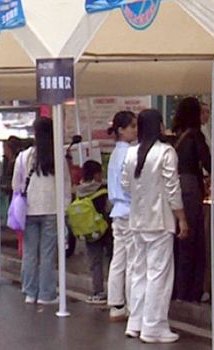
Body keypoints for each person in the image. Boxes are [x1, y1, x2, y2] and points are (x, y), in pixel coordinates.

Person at [121, 109, 189, 344]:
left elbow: (125, 184)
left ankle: (135, 322)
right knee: (158, 274)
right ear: (158, 126)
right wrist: (181, 218)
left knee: (139, 272)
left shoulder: (131, 153)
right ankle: (154, 326)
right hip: (159, 221)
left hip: (137, 221)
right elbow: (173, 188)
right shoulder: (166, 152)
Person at [13, 117, 70, 305]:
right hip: (52, 210)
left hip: (28, 210)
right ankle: (46, 294)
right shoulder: (58, 157)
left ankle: (30, 292)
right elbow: (65, 185)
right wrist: (64, 209)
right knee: (47, 254)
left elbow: (16, 185)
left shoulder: (23, 157)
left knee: (29, 252)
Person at [171, 97, 210, 303]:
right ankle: (191, 290)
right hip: (190, 189)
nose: (206, 115)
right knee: (193, 240)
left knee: (178, 240)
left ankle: (176, 289)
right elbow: (209, 164)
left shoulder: (175, 136)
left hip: (174, 188)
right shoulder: (196, 136)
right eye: (202, 111)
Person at [106, 111, 137, 321]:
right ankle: (132, 306)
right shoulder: (130, 154)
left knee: (118, 259)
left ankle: (116, 303)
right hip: (129, 210)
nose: (135, 130)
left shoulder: (115, 154)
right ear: (121, 130)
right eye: (132, 126)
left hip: (117, 210)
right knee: (132, 261)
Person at [75, 160, 112, 304]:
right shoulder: (103, 190)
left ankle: (98, 292)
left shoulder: (79, 191)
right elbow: (109, 208)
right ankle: (115, 292)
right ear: (96, 174)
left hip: (89, 232)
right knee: (112, 260)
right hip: (105, 229)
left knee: (95, 262)